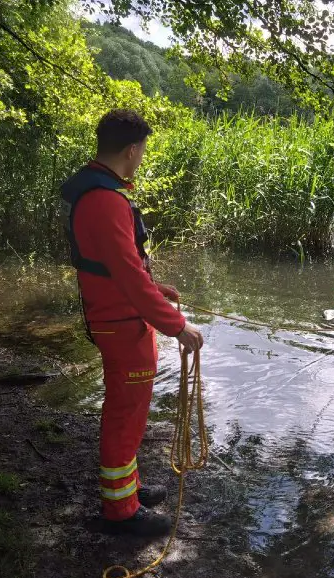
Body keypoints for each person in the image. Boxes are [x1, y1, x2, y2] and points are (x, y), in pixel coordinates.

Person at [60, 109, 204, 537]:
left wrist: (157, 290)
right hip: (121, 324)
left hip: (123, 318)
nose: (142, 157)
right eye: (142, 150)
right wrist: (178, 326)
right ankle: (121, 512)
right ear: (130, 149)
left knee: (133, 411)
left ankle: (130, 487)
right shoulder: (104, 200)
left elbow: (120, 270)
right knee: (125, 414)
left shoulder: (102, 193)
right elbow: (124, 275)